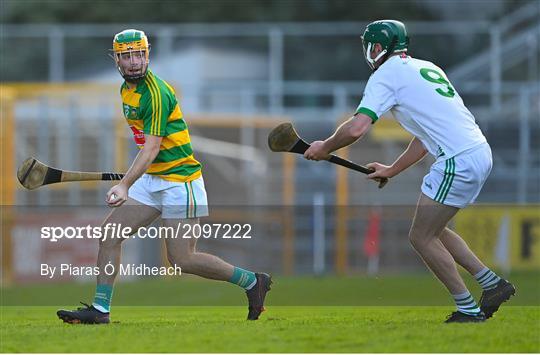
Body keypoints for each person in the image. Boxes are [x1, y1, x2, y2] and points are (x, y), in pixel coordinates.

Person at [304, 20, 515, 323]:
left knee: (421, 237)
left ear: (376, 48)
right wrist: (392, 169)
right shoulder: (426, 67)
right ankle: (492, 284)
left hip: (457, 159)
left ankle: (468, 309)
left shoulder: (385, 75)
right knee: (435, 231)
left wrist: (326, 146)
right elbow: (423, 137)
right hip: (478, 151)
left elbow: (357, 127)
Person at [57, 29, 271, 324]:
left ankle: (251, 281)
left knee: (182, 259)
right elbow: (150, 150)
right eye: (126, 55)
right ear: (116, 59)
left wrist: (124, 184)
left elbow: (152, 146)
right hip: (154, 180)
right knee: (109, 235)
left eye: (138, 54)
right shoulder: (126, 90)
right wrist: (136, 179)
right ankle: (100, 310)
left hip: (181, 182)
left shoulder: (156, 93)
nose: (133, 62)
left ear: (147, 55)